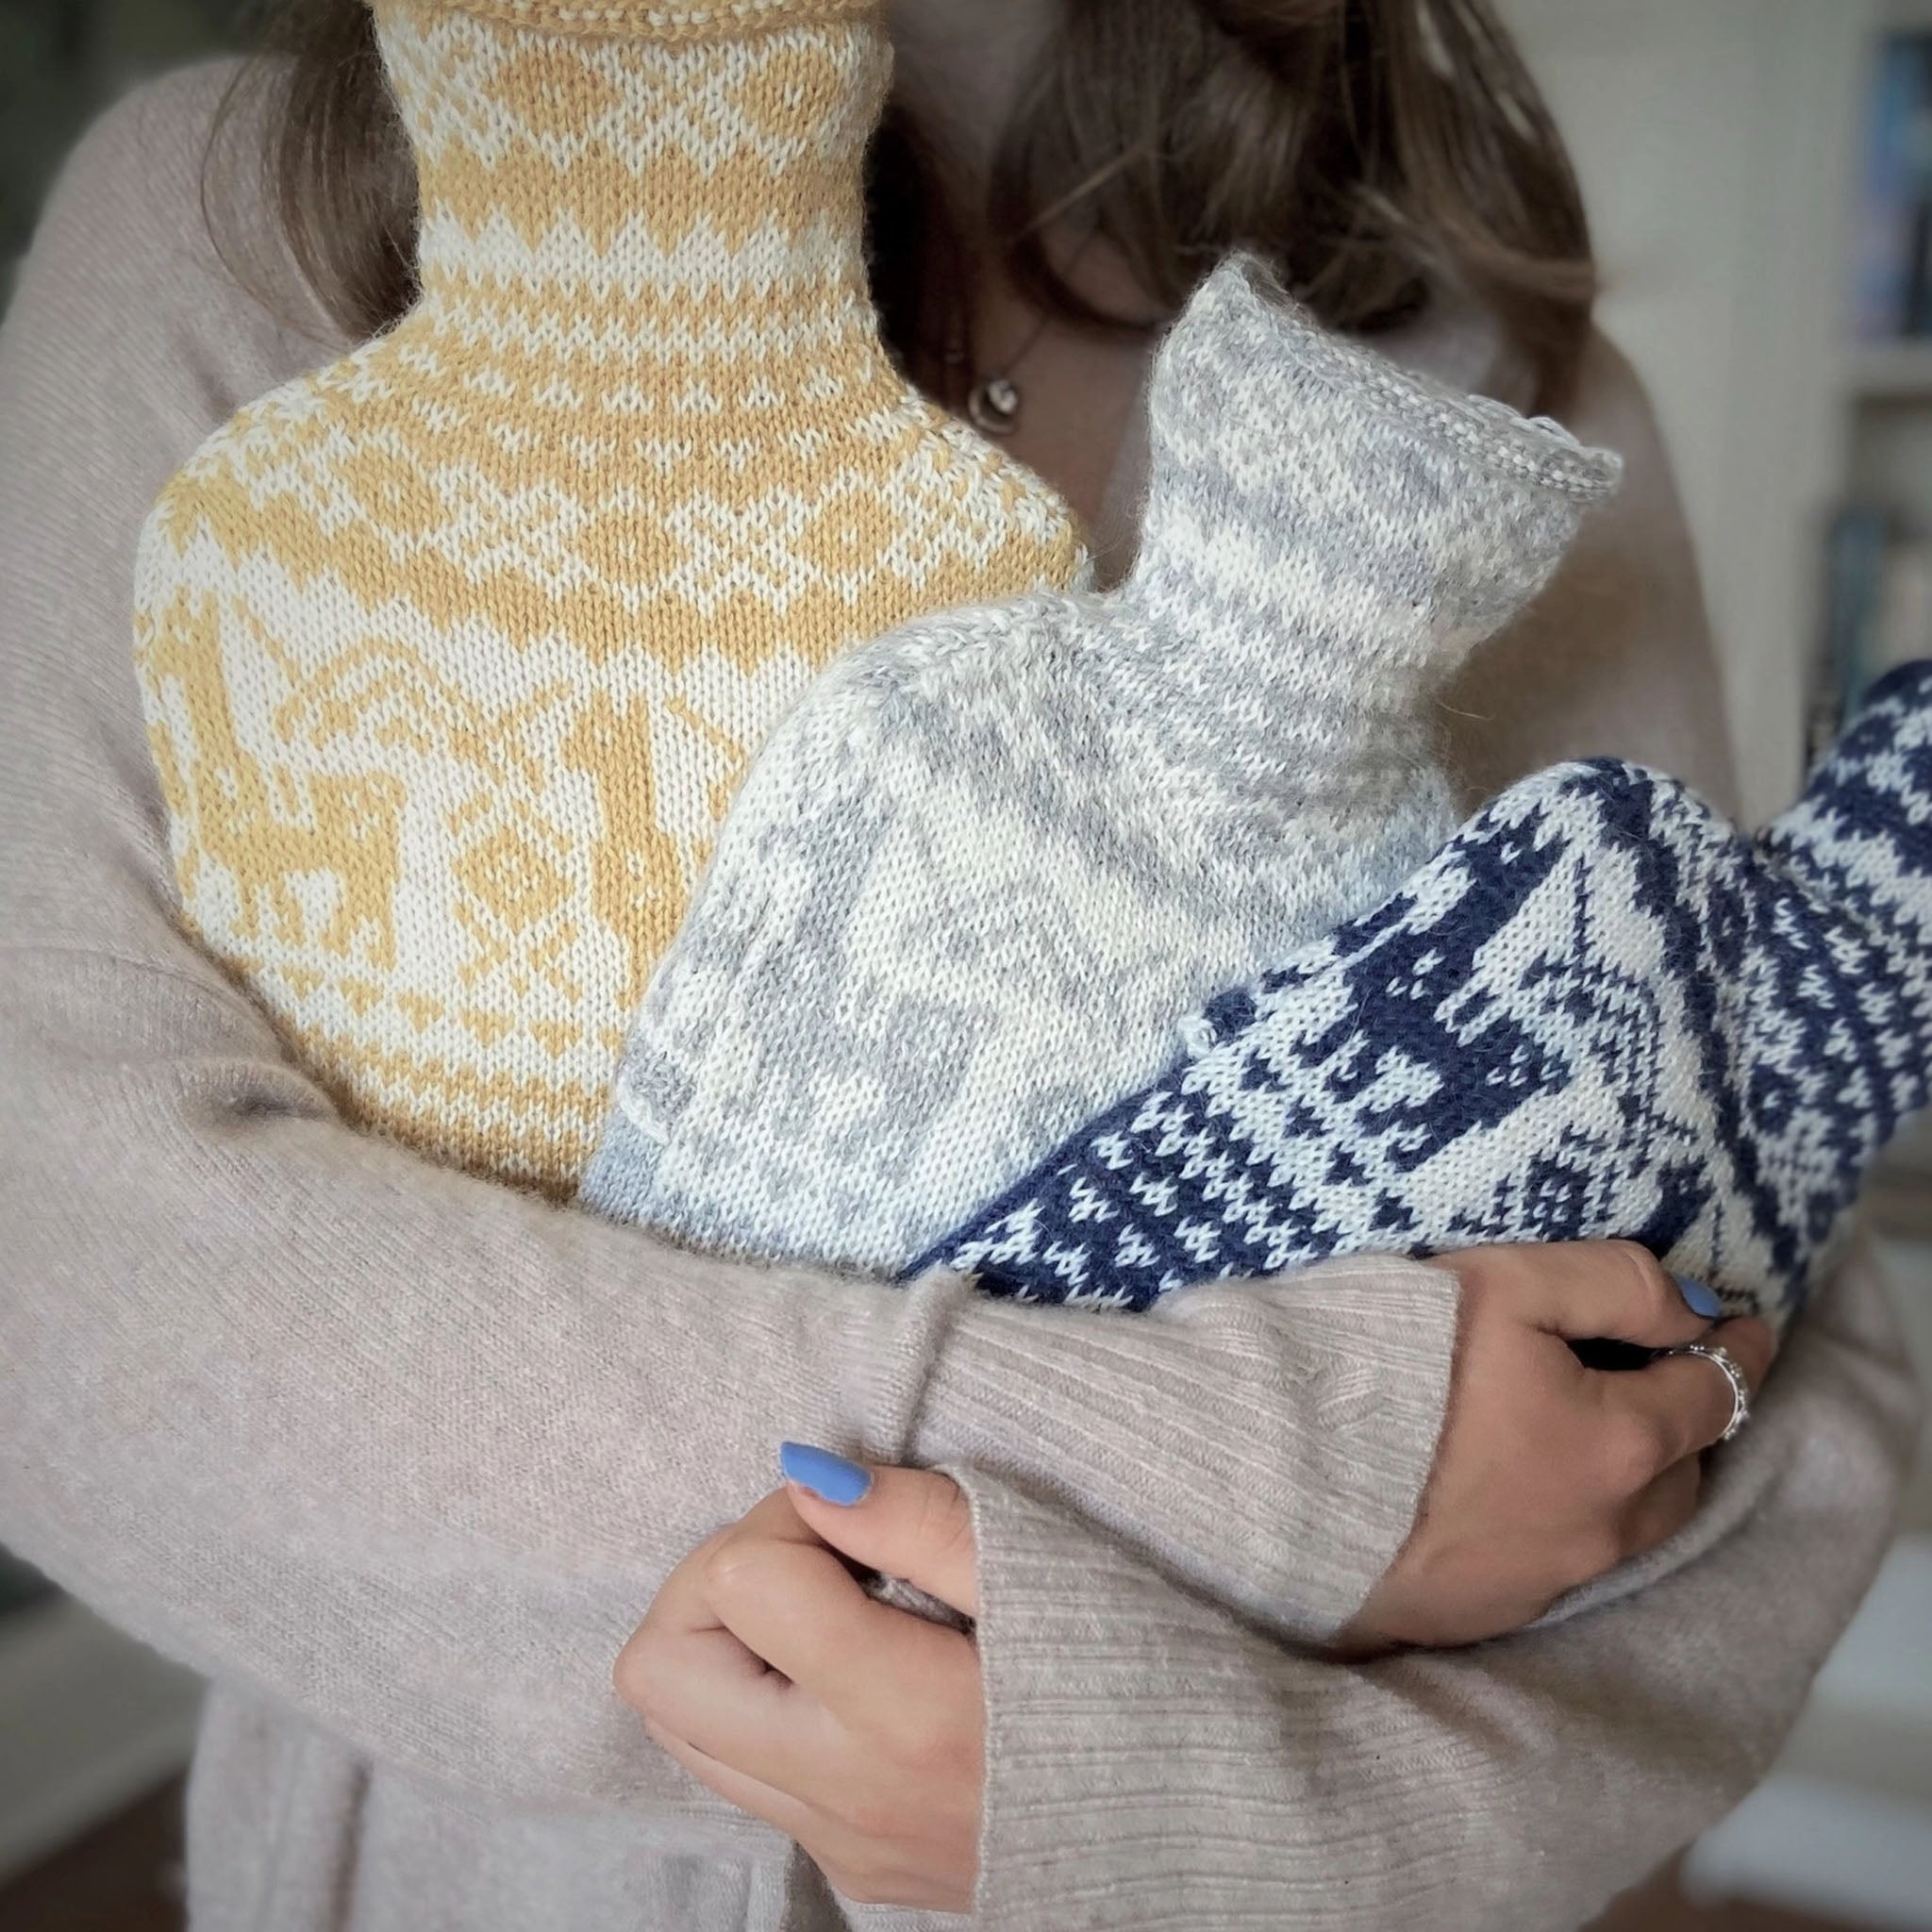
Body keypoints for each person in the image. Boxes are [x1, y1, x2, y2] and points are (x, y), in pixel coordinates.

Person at [0, 5, 1916, 1931]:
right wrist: (1298, 1464)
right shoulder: (254, 228)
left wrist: (1250, 1819)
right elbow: (60, 1279)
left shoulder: (1499, 403)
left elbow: (1764, 1352)